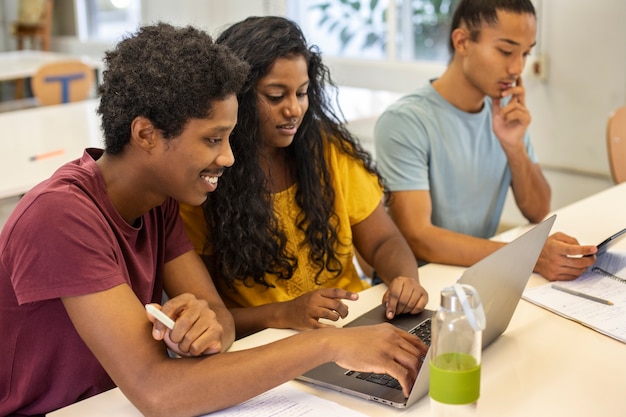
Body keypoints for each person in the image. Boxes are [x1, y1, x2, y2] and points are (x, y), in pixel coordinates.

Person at [0, 23, 427, 416]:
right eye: (213, 139)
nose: (228, 157)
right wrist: (330, 344)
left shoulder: (159, 202)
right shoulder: (60, 216)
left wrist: (205, 327)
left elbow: (220, 321)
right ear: (146, 134)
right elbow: (158, 391)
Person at [179, 16, 428, 339]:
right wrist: (286, 312)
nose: (294, 109)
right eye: (275, 95)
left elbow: (383, 240)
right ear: (236, 98)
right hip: (271, 343)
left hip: (352, 326)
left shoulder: (326, 149)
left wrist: (404, 279)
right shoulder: (206, 180)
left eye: (302, 93)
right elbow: (214, 317)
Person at [374, 0, 597, 281]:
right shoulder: (405, 121)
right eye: (505, 51)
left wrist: (514, 147)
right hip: (414, 288)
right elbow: (419, 237)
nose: (517, 67)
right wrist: (527, 256)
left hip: (476, 277)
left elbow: (538, 209)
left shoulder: (504, 113)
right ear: (462, 41)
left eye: (526, 53)